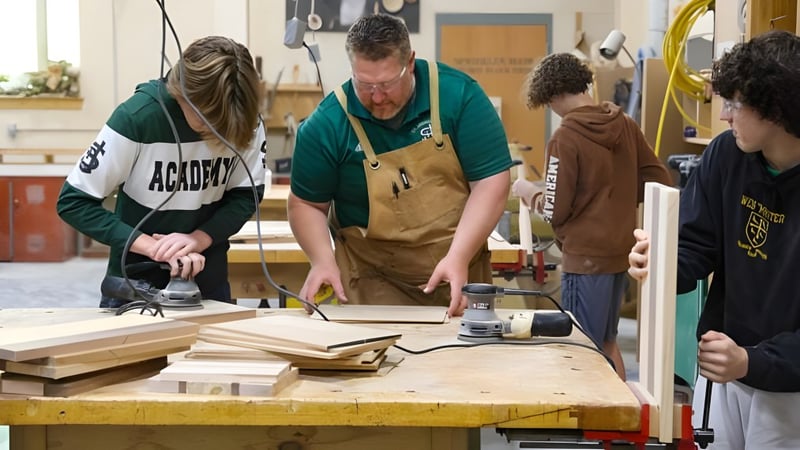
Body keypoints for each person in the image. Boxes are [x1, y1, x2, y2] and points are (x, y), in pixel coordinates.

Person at [628, 30, 800, 448]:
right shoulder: (726, 155)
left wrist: (752, 361)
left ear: (776, 107)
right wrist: (661, 263)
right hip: (723, 369)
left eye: (734, 104)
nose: (723, 116)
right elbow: (695, 247)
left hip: (791, 387)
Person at [287, 13, 512, 317]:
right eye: (364, 84)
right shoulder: (325, 125)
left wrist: (458, 256)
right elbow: (306, 204)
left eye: (388, 83)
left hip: (457, 271)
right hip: (371, 282)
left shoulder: (459, 97)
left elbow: (490, 181)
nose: (378, 97)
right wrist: (321, 260)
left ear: (410, 63)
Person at [57, 36, 266, 308]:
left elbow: (246, 195)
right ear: (183, 93)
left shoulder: (245, 119)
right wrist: (155, 248)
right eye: (207, 118)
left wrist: (198, 239)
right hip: (134, 283)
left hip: (208, 276)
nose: (217, 128)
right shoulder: (138, 118)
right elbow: (73, 202)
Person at [515, 52, 671, 379]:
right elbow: (659, 180)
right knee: (608, 341)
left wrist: (529, 193)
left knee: (584, 349)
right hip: (619, 254)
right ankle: (619, 426)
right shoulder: (624, 124)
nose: (552, 111)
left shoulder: (565, 137)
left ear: (555, 94)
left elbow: (555, 209)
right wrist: (618, 198)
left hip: (585, 259)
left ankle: (593, 427)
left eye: (548, 103)